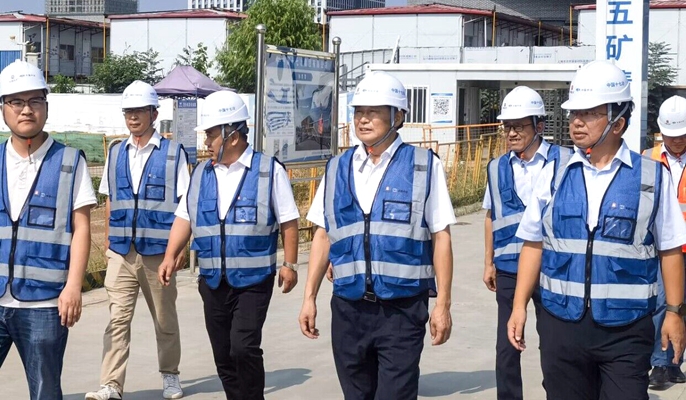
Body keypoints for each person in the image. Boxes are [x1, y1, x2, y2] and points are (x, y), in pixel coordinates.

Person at [508, 60, 686, 400]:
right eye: (575, 112)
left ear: (618, 122)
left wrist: (674, 313)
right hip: (561, 325)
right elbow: (533, 244)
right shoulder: (554, 173)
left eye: (589, 113)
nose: (577, 121)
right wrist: (519, 307)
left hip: (626, 330)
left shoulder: (651, 178)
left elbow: (670, 249)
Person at [298, 71, 455, 399]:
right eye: (359, 111)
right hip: (348, 309)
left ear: (397, 117)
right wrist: (309, 297)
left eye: (373, 112)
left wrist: (443, 304)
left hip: (402, 310)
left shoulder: (423, 166)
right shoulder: (337, 168)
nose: (363, 119)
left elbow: (441, 236)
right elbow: (323, 235)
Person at [157, 90, 300, 400]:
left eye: (211, 134)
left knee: (243, 347)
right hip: (212, 281)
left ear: (232, 135)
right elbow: (185, 217)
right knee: (223, 356)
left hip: (253, 281)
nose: (206, 142)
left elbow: (288, 220)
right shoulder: (200, 174)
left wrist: (289, 265)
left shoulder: (268, 170)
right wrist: (170, 255)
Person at [85, 81, 189, 400]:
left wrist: (179, 250)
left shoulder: (172, 154)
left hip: (159, 254)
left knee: (164, 319)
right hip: (121, 252)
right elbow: (109, 199)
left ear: (153, 114)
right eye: (128, 111)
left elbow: (186, 205)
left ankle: (170, 375)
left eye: (139, 111)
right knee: (117, 319)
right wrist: (108, 241)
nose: (132, 117)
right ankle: (111, 384)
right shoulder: (116, 151)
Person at [0, 60, 96, 399]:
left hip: (44, 303)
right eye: (16, 101)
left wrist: (73, 287)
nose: (26, 110)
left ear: (46, 106)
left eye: (34, 101)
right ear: (3, 108)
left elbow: (82, 227)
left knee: (45, 391)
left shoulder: (69, 162)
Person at [482, 86, 572, 400]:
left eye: (519, 126)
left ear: (540, 125)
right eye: (507, 126)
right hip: (509, 268)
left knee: (555, 344)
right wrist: (488, 262)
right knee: (506, 347)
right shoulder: (496, 168)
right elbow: (491, 215)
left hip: (552, 267)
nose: (512, 133)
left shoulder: (566, 161)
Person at [643, 95, 686, 387]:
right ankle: (658, 363)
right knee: (662, 304)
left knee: (683, 308)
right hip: (661, 248)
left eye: (682, 134)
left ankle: (674, 363)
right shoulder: (648, 158)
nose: (677, 141)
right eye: (672, 135)